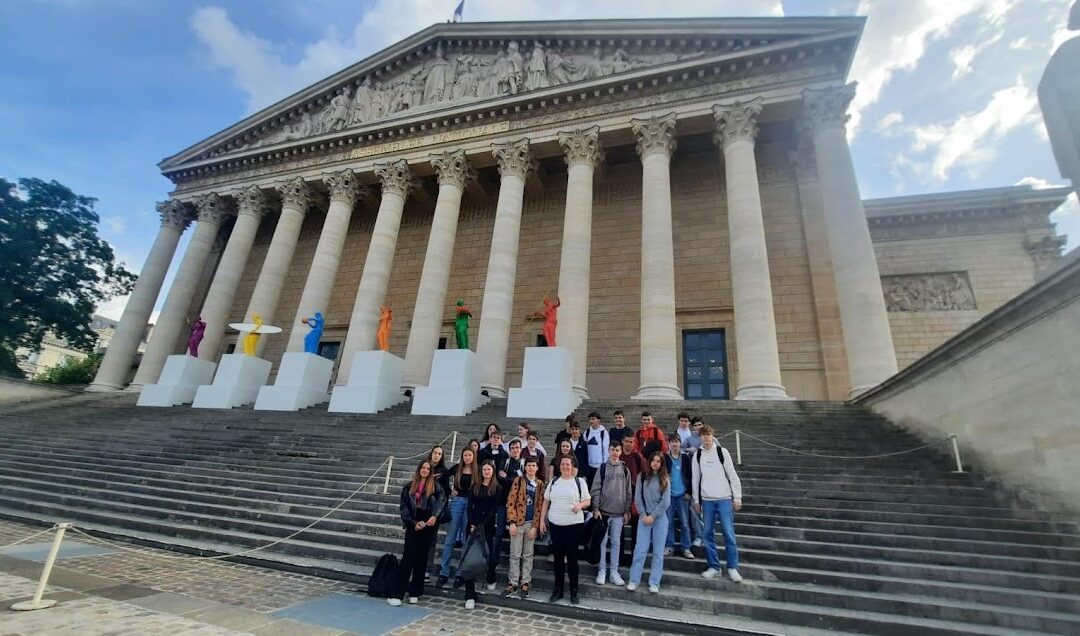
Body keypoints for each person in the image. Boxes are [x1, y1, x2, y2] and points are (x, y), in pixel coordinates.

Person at [388, 459, 446, 606]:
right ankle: (397, 593)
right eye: (423, 468)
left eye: (428, 469)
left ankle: (415, 592)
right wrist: (413, 523)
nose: (425, 470)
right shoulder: (409, 487)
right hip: (414, 524)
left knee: (422, 559)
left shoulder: (436, 487)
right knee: (408, 558)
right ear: (419, 469)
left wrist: (434, 516)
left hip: (428, 524)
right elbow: (404, 508)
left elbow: (441, 502)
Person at [692, 425, 744, 583]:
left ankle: (732, 567)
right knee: (707, 534)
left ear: (712, 436)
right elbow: (695, 478)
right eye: (703, 435)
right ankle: (714, 566)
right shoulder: (698, 454)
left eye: (708, 435)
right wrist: (696, 499)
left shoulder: (722, 452)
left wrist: (737, 497)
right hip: (707, 500)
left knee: (729, 533)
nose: (706, 438)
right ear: (700, 437)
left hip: (724, 498)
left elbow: (732, 475)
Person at [538, 456, 590, 605]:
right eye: (563, 464)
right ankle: (558, 590)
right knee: (558, 560)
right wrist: (542, 520)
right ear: (559, 466)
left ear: (572, 466)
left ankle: (574, 591)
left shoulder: (579, 482)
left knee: (572, 560)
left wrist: (579, 506)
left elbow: (587, 500)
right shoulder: (554, 482)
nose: (565, 466)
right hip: (556, 525)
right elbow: (546, 502)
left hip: (574, 525)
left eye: (568, 464)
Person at [627, 452, 671, 593]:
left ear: (662, 464)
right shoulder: (642, 477)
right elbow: (637, 497)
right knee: (640, 550)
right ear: (650, 462)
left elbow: (666, 501)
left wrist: (653, 516)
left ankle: (654, 582)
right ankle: (634, 580)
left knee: (658, 552)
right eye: (654, 460)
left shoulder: (665, 479)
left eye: (658, 461)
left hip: (659, 519)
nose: (656, 463)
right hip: (644, 518)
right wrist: (643, 514)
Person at [590, 443, 631, 586]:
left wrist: (626, 510)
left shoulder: (625, 469)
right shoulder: (602, 468)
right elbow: (595, 488)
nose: (615, 452)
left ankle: (614, 571)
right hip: (604, 513)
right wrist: (596, 508)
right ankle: (602, 570)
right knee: (602, 542)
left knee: (616, 542)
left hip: (619, 513)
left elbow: (628, 492)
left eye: (617, 450)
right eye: (612, 450)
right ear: (608, 451)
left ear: (621, 452)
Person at [462, 460, 503, 609]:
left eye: (489, 469)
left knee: (489, 554)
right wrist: (472, 524)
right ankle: (469, 594)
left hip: (487, 526)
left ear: (492, 471)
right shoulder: (475, 486)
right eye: (484, 469)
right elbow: (469, 507)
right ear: (481, 471)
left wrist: (481, 526)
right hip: (473, 525)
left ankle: (491, 575)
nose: (486, 472)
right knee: (470, 557)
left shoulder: (497, 488)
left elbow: (493, 510)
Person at [436, 447, 477, 588]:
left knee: (466, 539)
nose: (467, 457)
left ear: (473, 456)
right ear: (462, 456)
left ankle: (461, 573)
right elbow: (443, 476)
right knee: (450, 538)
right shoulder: (457, 468)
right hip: (458, 501)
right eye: (465, 455)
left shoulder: (477, 470)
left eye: (470, 455)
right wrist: (449, 491)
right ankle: (444, 572)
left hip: (470, 505)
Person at [505, 456, 543, 599]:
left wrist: (536, 526)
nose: (531, 468)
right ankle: (513, 581)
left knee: (528, 554)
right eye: (529, 465)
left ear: (537, 468)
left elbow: (540, 506)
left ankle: (525, 581)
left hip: (530, 523)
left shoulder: (539, 484)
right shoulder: (519, 481)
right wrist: (512, 522)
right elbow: (511, 501)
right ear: (525, 467)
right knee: (515, 554)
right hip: (518, 522)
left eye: (534, 465)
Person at [663, 434, 695, 559]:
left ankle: (686, 547)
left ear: (680, 443)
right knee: (669, 522)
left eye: (676, 442)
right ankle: (669, 546)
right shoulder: (665, 457)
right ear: (668, 444)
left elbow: (691, 476)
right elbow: (660, 474)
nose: (674, 444)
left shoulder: (686, 458)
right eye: (672, 442)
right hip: (669, 495)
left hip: (683, 495)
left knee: (685, 523)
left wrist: (689, 492)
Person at [620, 436, 646, 566]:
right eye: (626, 441)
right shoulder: (618, 455)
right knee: (619, 530)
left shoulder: (638, 456)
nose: (629, 444)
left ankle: (634, 557)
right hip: (619, 497)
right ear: (622, 442)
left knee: (636, 530)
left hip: (635, 497)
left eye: (631, 442)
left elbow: (645, 474)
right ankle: (620, 556)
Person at [582, 411, 609, 487]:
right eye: (590, 419)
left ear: (598, 420)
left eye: (593, 419)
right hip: (589, 465)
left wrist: (604, 464)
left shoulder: (603, 433)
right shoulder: (587, 432)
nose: (591, 421)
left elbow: (606, 449)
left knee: (599, 485)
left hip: (599, 465)